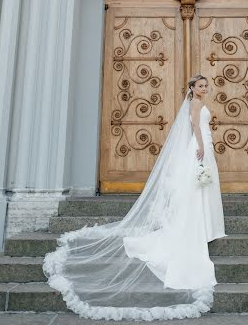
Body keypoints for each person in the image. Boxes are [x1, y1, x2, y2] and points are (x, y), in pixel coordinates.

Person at [43, 75, 226, 320]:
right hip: (200, 144)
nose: (205, 88)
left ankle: (206, 223)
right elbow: (195, 126)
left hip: (203, 143)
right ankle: (200, 224)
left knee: (201, 186)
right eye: (200, 85)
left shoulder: (198, 102)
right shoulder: (195, 103)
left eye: (206, 85)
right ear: (192, 88)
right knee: (198, 185)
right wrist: (201, 146)